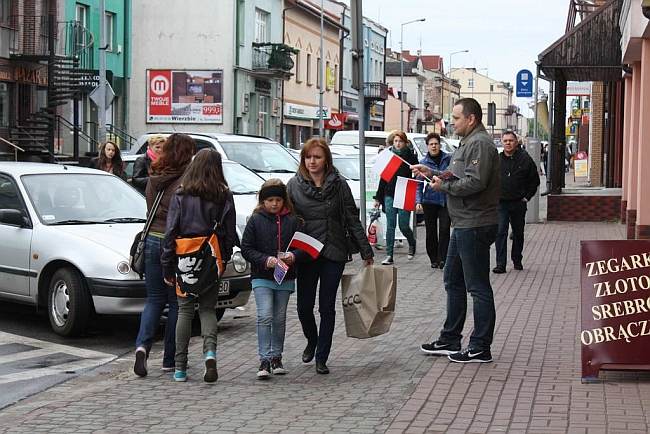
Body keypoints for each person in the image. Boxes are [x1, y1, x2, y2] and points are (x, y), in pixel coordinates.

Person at [412, 98, 500, 363]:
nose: (452, 122)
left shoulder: (480, 144)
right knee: (453, 278)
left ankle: (480, 346)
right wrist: (431, 171)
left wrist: (444, 187)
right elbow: (456, 174)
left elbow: (474, 182)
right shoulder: (467, 143)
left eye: (457, 118)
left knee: (477, 286)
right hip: (462, 222)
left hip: (475, 223)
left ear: (471, 119)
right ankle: (450, 338)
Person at [287, 137, 374, 375]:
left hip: (333, 250)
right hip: (306, 252)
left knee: (327, 307)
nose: (312, 161)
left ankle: (322, 356)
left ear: (326, 160)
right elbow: (285, 221)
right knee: (304, 307)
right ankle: (312, 340)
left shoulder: (339, 185)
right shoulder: (294, 185)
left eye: (317, 157)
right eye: (308, 157)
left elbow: (352, 219)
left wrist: (366, 251)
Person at [161, 148, 236, 383]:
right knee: (207, 309)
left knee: (184, 310)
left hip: (185, 256)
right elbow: (229, 233)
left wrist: (167, 264)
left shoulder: (181, 194)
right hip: (211, 256)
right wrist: (223, 259)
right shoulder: (223, 194)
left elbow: (170, 232)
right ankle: (210, 354)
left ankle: (180, 367)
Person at [133, 133, 195, 378]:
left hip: (150, 241)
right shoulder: (186, 181)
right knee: (177, 304)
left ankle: (141, 347)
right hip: (175, 246)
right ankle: (170, 359)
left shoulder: (154, 175)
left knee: (154, 300)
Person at [241, 179, 304, 379]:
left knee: (279, 317)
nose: (274, 204)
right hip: (262, 276)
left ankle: (277, 356)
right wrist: (264, 259)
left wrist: (293, 256)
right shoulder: (256, 220)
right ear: (263, 201)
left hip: (284, 275)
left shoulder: (293, 220)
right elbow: (246, 248)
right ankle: (264, 359)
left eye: (278, 200)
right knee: (265, 315)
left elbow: (302, 246)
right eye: (270, 200)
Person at [492, 131, 540, 274]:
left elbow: (534, 180)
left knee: (518, 233)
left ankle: (517, 259)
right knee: (500, 232)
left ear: (516, 142)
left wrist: (527, 196)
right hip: (501, 203)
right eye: (505, 140)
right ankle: (500, 264)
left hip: (519, 202)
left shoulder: (525, 159)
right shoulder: (497, 160)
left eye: (511, 140)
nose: (508, 143)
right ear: (501, 142)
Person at [373, 130, 419, 265]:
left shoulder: (410, 156)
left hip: (405, 191)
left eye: (400, 141)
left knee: (404, 225)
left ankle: (412, 242)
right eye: (395, 141)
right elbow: (383, 179)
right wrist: (378, 198)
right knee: (390, 225)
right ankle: (389, 255)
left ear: (405, 143)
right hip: (389, 193)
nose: (398, 144)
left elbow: (417, 174)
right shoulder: (389, 156)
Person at [415, 133, 451, 270]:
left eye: (436, 144)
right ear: (427, 146)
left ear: (440, 145)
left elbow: (449, 175)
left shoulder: (448, 158)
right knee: (430, 231)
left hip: (445, 199)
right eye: (431, 144)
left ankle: (443, 258)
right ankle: (433, 258)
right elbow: (418, 184)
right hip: (429, 200)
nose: (434, 146)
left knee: (444, 229)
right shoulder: (423, 162)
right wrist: (418, 200)